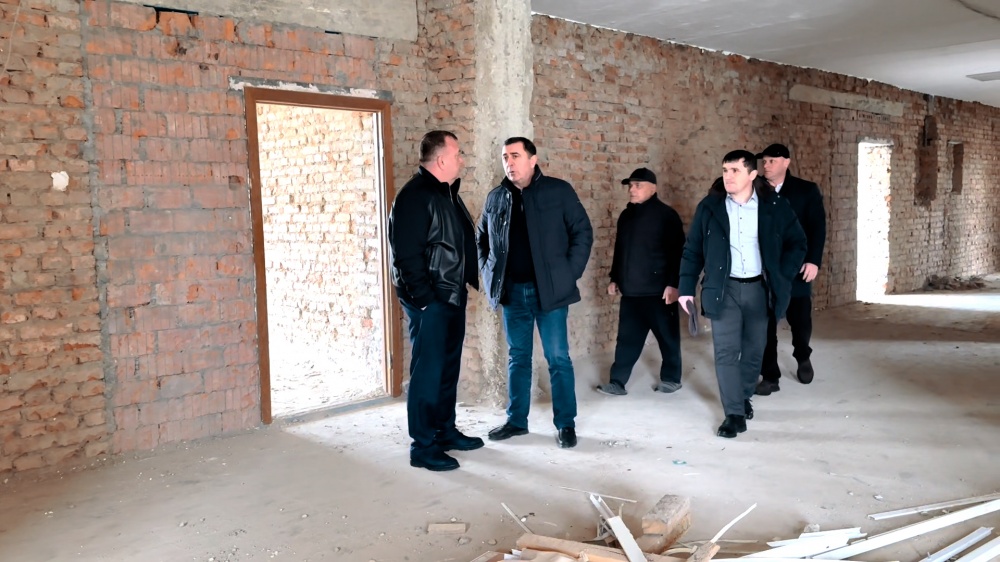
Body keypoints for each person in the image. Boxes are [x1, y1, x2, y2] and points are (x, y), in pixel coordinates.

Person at [678, 150, 807, 438]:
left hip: (760, 290)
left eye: (735, 170)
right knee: (725, 352)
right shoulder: (710, 208)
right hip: (724, 290)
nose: (728, 176)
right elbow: (693, 249)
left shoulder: (774, 206)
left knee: (753, 351)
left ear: (752, 174)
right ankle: (733, 414)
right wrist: (686, 288)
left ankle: (744, 394)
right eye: (725, 170)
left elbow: (797, 242)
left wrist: (781, 274)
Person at [476, 137, 593, 449]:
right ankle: (517, 421)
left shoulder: (558, 191)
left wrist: (568, 274)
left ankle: (565, 424)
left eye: (515, 156)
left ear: (533, 159)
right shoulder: (496, 197)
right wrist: (489, 275)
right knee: (518, 358)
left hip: (550, 293)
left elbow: (582, 232)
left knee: (558, 358)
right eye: (505, 157)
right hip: (513, 293)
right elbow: (481, 239)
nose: (509, 162)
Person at [387, 130, 482, 472]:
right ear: (441, 160)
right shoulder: (415, 196)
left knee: (447, 368)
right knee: (427, 373)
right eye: (458, 154)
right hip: (432, 301)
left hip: (451, 295)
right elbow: (406, 256)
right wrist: (425, 300)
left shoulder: (446, 193)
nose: (462, 160)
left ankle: (445, 430)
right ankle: (423, 447)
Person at [596, 167, 686, 397]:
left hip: (659, 292)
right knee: (627, 339)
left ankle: (671, 378)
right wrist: (615, 278)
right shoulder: (626, 216)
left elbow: (678, 253)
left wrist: (674, 284)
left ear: (653, 188)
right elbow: (620, 251)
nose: (632, 190)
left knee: (667, 338)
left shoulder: (667, 216)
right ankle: (617, 381)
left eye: (638, 185)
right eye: (630, 186)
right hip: (631, 292)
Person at [755, 143, 827, 394]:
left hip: (796, 267)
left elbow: (817, 227)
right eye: (764, 161)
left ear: (786, 162)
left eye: (772, 161)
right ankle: (770, 376)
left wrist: (813, 260)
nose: (766, 166)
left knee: (800, 318)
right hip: (765, 268)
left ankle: (802, 355)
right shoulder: (755, 190)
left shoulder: (805, 190)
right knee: (766, 323)